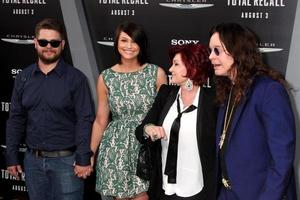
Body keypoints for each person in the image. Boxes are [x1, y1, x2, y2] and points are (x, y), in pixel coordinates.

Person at [6, 18, 95, 200]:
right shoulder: (23, 78)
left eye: (54, 42)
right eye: (43, 42)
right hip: (32, 163)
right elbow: (16, 119)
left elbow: (84, 120)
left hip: (67, 163)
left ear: (62, 45)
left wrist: (83, 158)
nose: (49, 46)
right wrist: (12, 156)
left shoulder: (76, 79)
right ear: (35, 43)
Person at [208, 22, 297, 200]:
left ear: (237, 50)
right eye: (210, 50)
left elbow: (282, 159)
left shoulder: (269, 90)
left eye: (217, 50)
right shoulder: (228, 90)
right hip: (228, 193)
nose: (211, 57)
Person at [90, 21, 167, 200]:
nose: (129, 46)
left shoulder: (156, 74)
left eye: (134, 41)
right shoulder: (106, 77)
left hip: (146, 145)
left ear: (142, 45)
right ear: (116, 43)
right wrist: (90, 153)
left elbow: (164, 115)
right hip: (115, 148)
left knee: (144, 195)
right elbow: (101, 120)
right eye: (124, 41)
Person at [135, 44, 218, 200]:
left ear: (192, 67)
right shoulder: (166, 93)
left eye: (176, 64)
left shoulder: (213, 100)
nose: (170, 69)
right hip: (165, 187)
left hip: (199, 188)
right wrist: (149, 128)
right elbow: (141, 130)